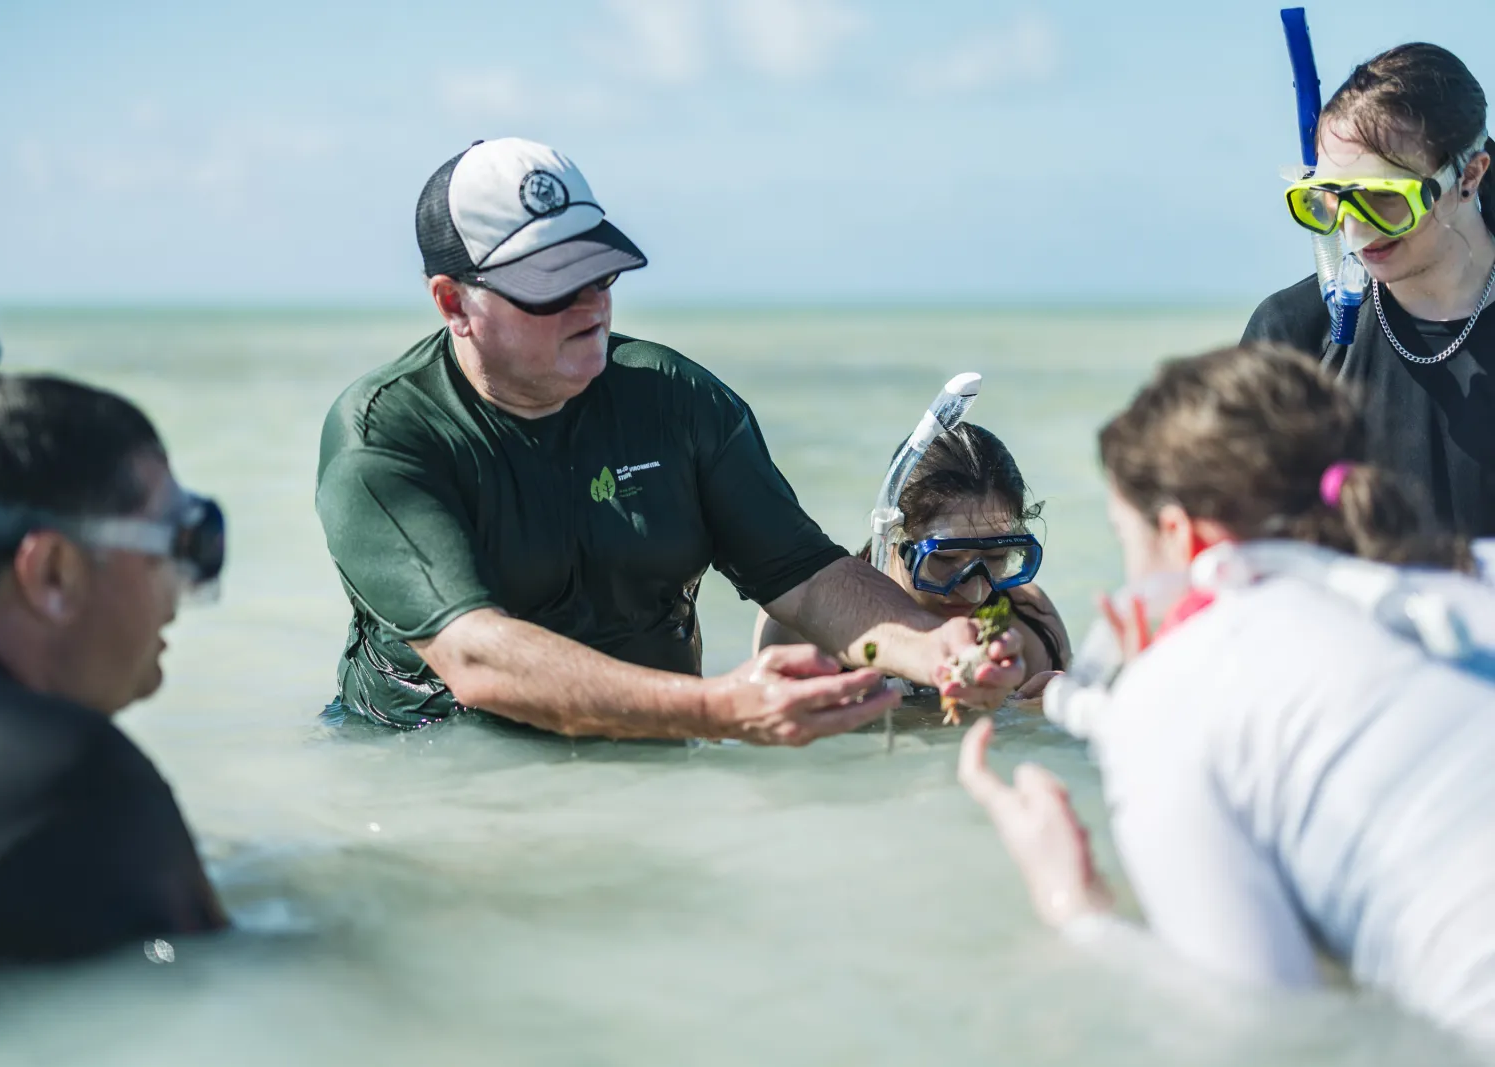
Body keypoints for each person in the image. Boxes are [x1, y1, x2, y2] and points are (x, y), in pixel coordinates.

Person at [315, 137, 1022, 743]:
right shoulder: (385, 436)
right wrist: (721, 707)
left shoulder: (677, 400)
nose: (592, 302)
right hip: (439, 766)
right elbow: (474, 657)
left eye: (597, 270)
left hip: (656, 762)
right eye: (550, 287)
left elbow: (806, 579)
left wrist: (936, 651)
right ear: (452, 303)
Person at [959, 344, 1495, 1043]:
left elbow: (1267, 1027)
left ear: (1181, 535)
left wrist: (1077, 908)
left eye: (1129, 539)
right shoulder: (1470, 571)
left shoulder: (1176, 691)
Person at [0, 372, 229, 976]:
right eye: (174, 543)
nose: (177, 596)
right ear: (53, 572)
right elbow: (204, 984)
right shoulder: (64, 777)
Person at [1244, 43, 1495, 537]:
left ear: (1469, 176)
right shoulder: (1293, 333)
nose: (1353, 232)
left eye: (1384, 199)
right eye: (1328, 201)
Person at [753, 424, 1069, 693]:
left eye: (998, 556)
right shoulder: (804, 628)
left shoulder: (1029, 622)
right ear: (893, 539)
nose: (974, 591)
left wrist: (1027, 716)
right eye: (946, 560)